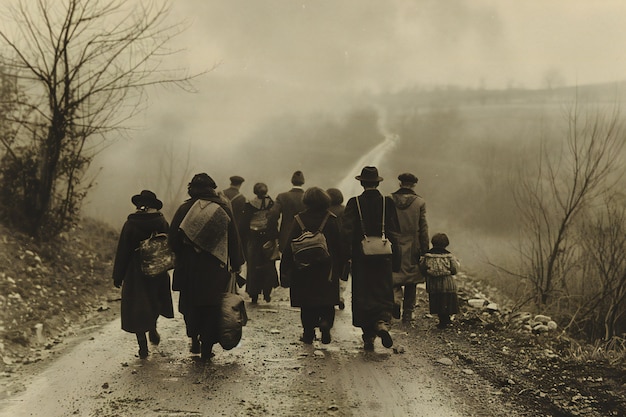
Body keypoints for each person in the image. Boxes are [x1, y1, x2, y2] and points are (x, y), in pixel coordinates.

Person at [168, 173, 244, 359]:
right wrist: (236, 262)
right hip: (215, 268)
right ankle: (207, 346)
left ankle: (194, 338)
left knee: (190, 304)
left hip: (189, 268)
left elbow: (172, 241)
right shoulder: (223, 208)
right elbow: (234, 239)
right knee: (211, 306)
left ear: (191, 189)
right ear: (213, 187)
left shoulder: (185, 208)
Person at [341, 166, 400, 351]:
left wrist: (347, 257)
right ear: (377, 182)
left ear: (362, 183)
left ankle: (368, 336)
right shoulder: (387, 202)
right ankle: (382, 322)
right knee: (382, 291)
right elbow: (394, 232)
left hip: (362, 257)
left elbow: (347, 233)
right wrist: (396, 258)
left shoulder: (354, 203)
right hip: (384, 256)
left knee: (363, 293)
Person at [112, 190, 175, 359]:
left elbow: (123, 250)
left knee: (137, 307)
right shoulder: (162, 221)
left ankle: (142, 346)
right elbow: (170, 244)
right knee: (154, 300)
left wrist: (118, 275)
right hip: (157, 270)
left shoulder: (131, 223)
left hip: (136, 272)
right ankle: (153, 327)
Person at [280, 187, 342, 344]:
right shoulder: (331, 219)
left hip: (303, 269)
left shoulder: (299, 219)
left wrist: (284, 269)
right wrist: (340, 269)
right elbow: (340, 246)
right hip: (326, 269)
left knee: (306, 304)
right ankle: (326, 323)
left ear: (306, 201)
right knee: (327, 300)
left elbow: (289, 247)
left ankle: (308, 333)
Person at [389, 172, 429, 324]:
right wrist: (425, 248)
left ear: (400, 183)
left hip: (394, 244)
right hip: (413, 245)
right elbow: (423, 227)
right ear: (413, 185)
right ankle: (407, 313)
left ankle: (395, 301)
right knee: (411, 280)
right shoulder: (419, 203)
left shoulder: (390, 200)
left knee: (395, 276)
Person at [240, 182, 279, 304]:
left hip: (253, 238)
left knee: (253, 265)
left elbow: (244, 224)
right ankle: (267, 292)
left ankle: (254, 293)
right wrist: (274, 237)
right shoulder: (271, 203)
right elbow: (273, 221)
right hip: (267, 237)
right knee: (268, 264)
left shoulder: (249, 204)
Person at [419, 233, 459, 329]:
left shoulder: (427, 256)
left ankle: (442, 320)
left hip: (433, 284)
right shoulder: (449, 256)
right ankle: (447, 318)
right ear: (446, 244)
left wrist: (427, 274)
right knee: (447, 301)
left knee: (437, 301)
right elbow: (455, 269)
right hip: (447, 283)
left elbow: (422, 268)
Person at [269, 170, 306, 259]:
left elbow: (272, 216)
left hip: (285, 238)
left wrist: (275, 236)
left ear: (292, 181)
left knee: (284, 267)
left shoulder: (282, 197)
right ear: (303, 182)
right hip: (305, 239)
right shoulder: (308, 197)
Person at [327, 187, 349, 311]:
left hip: (329, 244)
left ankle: (330, 296)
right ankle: (340, 295)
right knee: (343, 271)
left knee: (330, 271)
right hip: (343, 245)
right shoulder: (344, 209)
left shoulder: (325, 210)